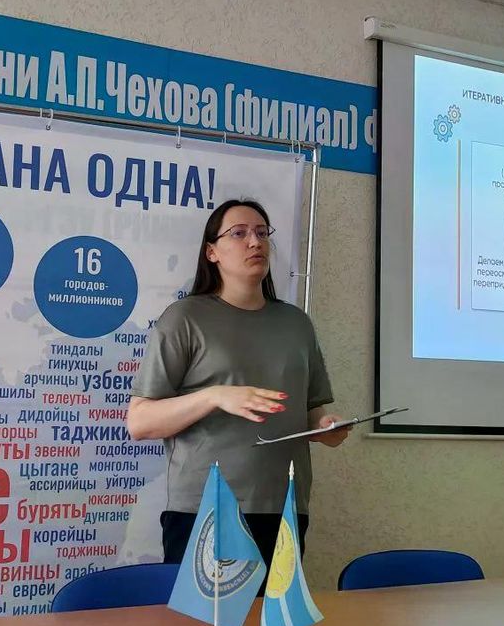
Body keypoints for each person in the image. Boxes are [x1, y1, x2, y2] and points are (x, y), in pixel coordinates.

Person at [128, 198, 348, 567]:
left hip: (284, 507)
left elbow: (312, 411)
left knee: (277, 609)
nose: (255, 242)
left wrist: (327, 427)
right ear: (211, 252)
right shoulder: (184, 318)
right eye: (239, 233)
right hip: (207, 509)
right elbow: (140, 422)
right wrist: (214, 396)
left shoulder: (296, 324)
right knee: (206, 611)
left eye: (262, 233)